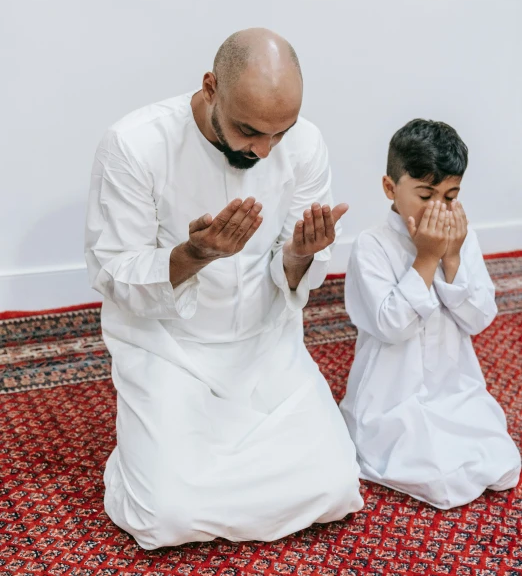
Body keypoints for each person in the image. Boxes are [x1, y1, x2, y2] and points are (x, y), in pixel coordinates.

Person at [85, 28, 363, 549]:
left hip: (266, 346)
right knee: (164, 518)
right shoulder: (135, 144)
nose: (263, 149)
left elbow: (294, 272)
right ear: (211, 87)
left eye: (279, 133)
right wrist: (195, 255)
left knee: (335, 489)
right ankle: (146, 451)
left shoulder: (304, 143)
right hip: (169, 348)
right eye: (248, 130)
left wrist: (303, 252)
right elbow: (115, 272)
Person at [340, 119, 520, 509]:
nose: (439, 208)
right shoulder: (371, 246)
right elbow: (392, 326)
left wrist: (452, 257)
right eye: (425, 195)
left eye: (451, 196)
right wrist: (426, 259)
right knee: (441, 481)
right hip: (392, 396)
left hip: (453, 387)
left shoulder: (461, 238)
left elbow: (480, 318)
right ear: (391, 187)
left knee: (502, 465)